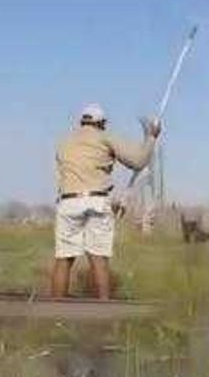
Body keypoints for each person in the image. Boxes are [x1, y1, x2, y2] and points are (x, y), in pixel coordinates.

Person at [50, 103, 161, 299]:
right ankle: (103, 309)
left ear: (82, 121)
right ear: (101, 123)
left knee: (64, 259)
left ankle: (54, 309)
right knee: (98, 259)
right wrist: (151, 138)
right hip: (96, 201)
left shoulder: (64, 142)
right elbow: (138, 162)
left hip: (68, 202)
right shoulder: (105, 137)